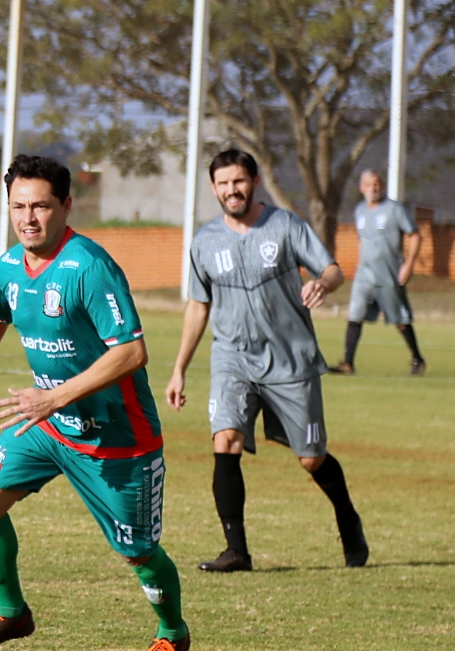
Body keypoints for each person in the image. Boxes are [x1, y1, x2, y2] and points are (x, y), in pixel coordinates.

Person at [0, 154, 191, 651]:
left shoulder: (89, 267)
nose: (28, 218)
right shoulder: (8, 266)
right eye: (18, 206)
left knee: (137, 552)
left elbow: (131, 353)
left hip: (117, 437)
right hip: (47, 425)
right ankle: (11, 613)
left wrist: (55, 397)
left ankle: (172, 634)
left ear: (66, 205)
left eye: (40, 206)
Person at [166, 148, 365, 572]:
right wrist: (179, 369)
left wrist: (322, 284)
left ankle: (348, 517)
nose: (231, 190)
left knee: (311, 458)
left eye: (238, 181)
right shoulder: (204, 241)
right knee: (225, 440)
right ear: (214, 188)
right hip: (232, 357)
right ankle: (236, 551)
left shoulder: (285, 226)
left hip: (290, 360)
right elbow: (198, 305)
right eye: (223, 183)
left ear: (254, 182)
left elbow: (333, 269)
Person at [329, 169, 425, 376]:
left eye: (377, 184)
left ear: (382, 186)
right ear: (362, 188)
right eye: (369, 184)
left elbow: (415, 235)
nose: (374, 188)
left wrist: (408, 265)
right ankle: (347, 363)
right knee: (355, 315)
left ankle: (418, 359)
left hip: (389, 273)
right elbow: (362, 241)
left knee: (399, 320)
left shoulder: (395, 209)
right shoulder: (360, 211)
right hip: (364, 275)